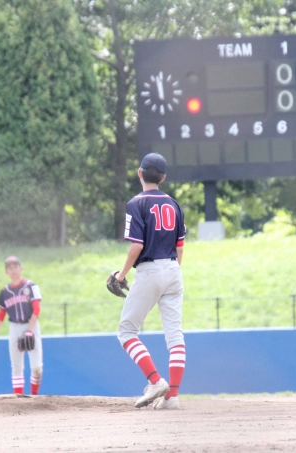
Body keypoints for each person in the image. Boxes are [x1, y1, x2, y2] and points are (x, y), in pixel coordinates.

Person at [115, 152, 187, 410]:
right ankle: (172, 397)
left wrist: (121, 275)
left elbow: (137, 246)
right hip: (173, 269)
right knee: (174, 335)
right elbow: (180, 246)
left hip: (149, 269)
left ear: (139, 173)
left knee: (126, 331)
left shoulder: (137, 203)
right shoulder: (175, 205)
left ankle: (155, 381)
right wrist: (170, 273)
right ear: (163, 178)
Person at [0, 256, 43, 395]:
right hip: (14, 327)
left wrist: (29, 329)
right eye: (10, 268)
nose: (13, 270)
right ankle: (19, 400)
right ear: (6, 271)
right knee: (17, 367)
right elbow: (1, 314)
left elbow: (37, 309)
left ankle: (34, 396)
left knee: (37, 368)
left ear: (21, 268)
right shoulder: (5, 292)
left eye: (15, 267)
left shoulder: (31, 286)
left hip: (31, 325)